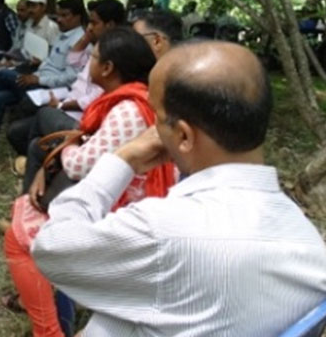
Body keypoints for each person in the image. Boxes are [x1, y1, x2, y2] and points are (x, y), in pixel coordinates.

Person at [32, 41, 326, 336]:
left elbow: (52, 249)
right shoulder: (308, 243)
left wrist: (123, 159)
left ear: (184, 136)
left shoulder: (162, 230)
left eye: (157, 117)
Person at [4, 27, 174, 337]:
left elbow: (79, 165)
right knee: (36, 177)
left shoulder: (127, 110)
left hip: (120, 216)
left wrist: (64, 148)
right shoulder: (140, 99)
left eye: (92, 58)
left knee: (20, 235)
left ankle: (50, 331)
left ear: (107, 68)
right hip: (130, 205)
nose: (87, 64)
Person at [0, 0, 86, 161]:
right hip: (38, 79)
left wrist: (38, 80)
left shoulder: (80, 42)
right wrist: (39, 66)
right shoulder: (63, 35)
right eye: (58, 15)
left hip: (49, 91)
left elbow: (71, 77)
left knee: (3, 74)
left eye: (65, 15)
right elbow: (52, 62)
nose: (60, 19)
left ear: (77, 17)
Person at [8, 0, 124, 167]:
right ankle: (46, 162)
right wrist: (86, 37)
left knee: (42, 114)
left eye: (94, 23)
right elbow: (73, 60)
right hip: (66, 104)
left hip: (79, 119)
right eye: (89, 23)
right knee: (16, 132)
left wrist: (61, 105)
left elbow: (93, 99)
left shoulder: (116, 55)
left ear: (110, 25)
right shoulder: (97, 45)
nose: (89, 27)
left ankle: (45, 162)